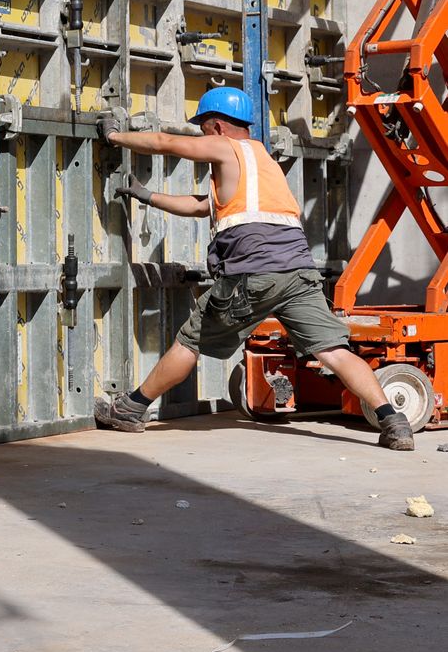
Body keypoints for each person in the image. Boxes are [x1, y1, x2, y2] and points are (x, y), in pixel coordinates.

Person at [95, 86, 414, 450]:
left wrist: (115, 136)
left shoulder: (224, 147)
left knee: (190, 342)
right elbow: (202, 206)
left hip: (253, 273)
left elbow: (165, 142)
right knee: (333, 351)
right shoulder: (263, 162)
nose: (201, 134)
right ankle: (393, 422)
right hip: (297, 271)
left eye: (202, 127)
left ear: (217, 126)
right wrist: (148, 196)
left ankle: (130, 409)